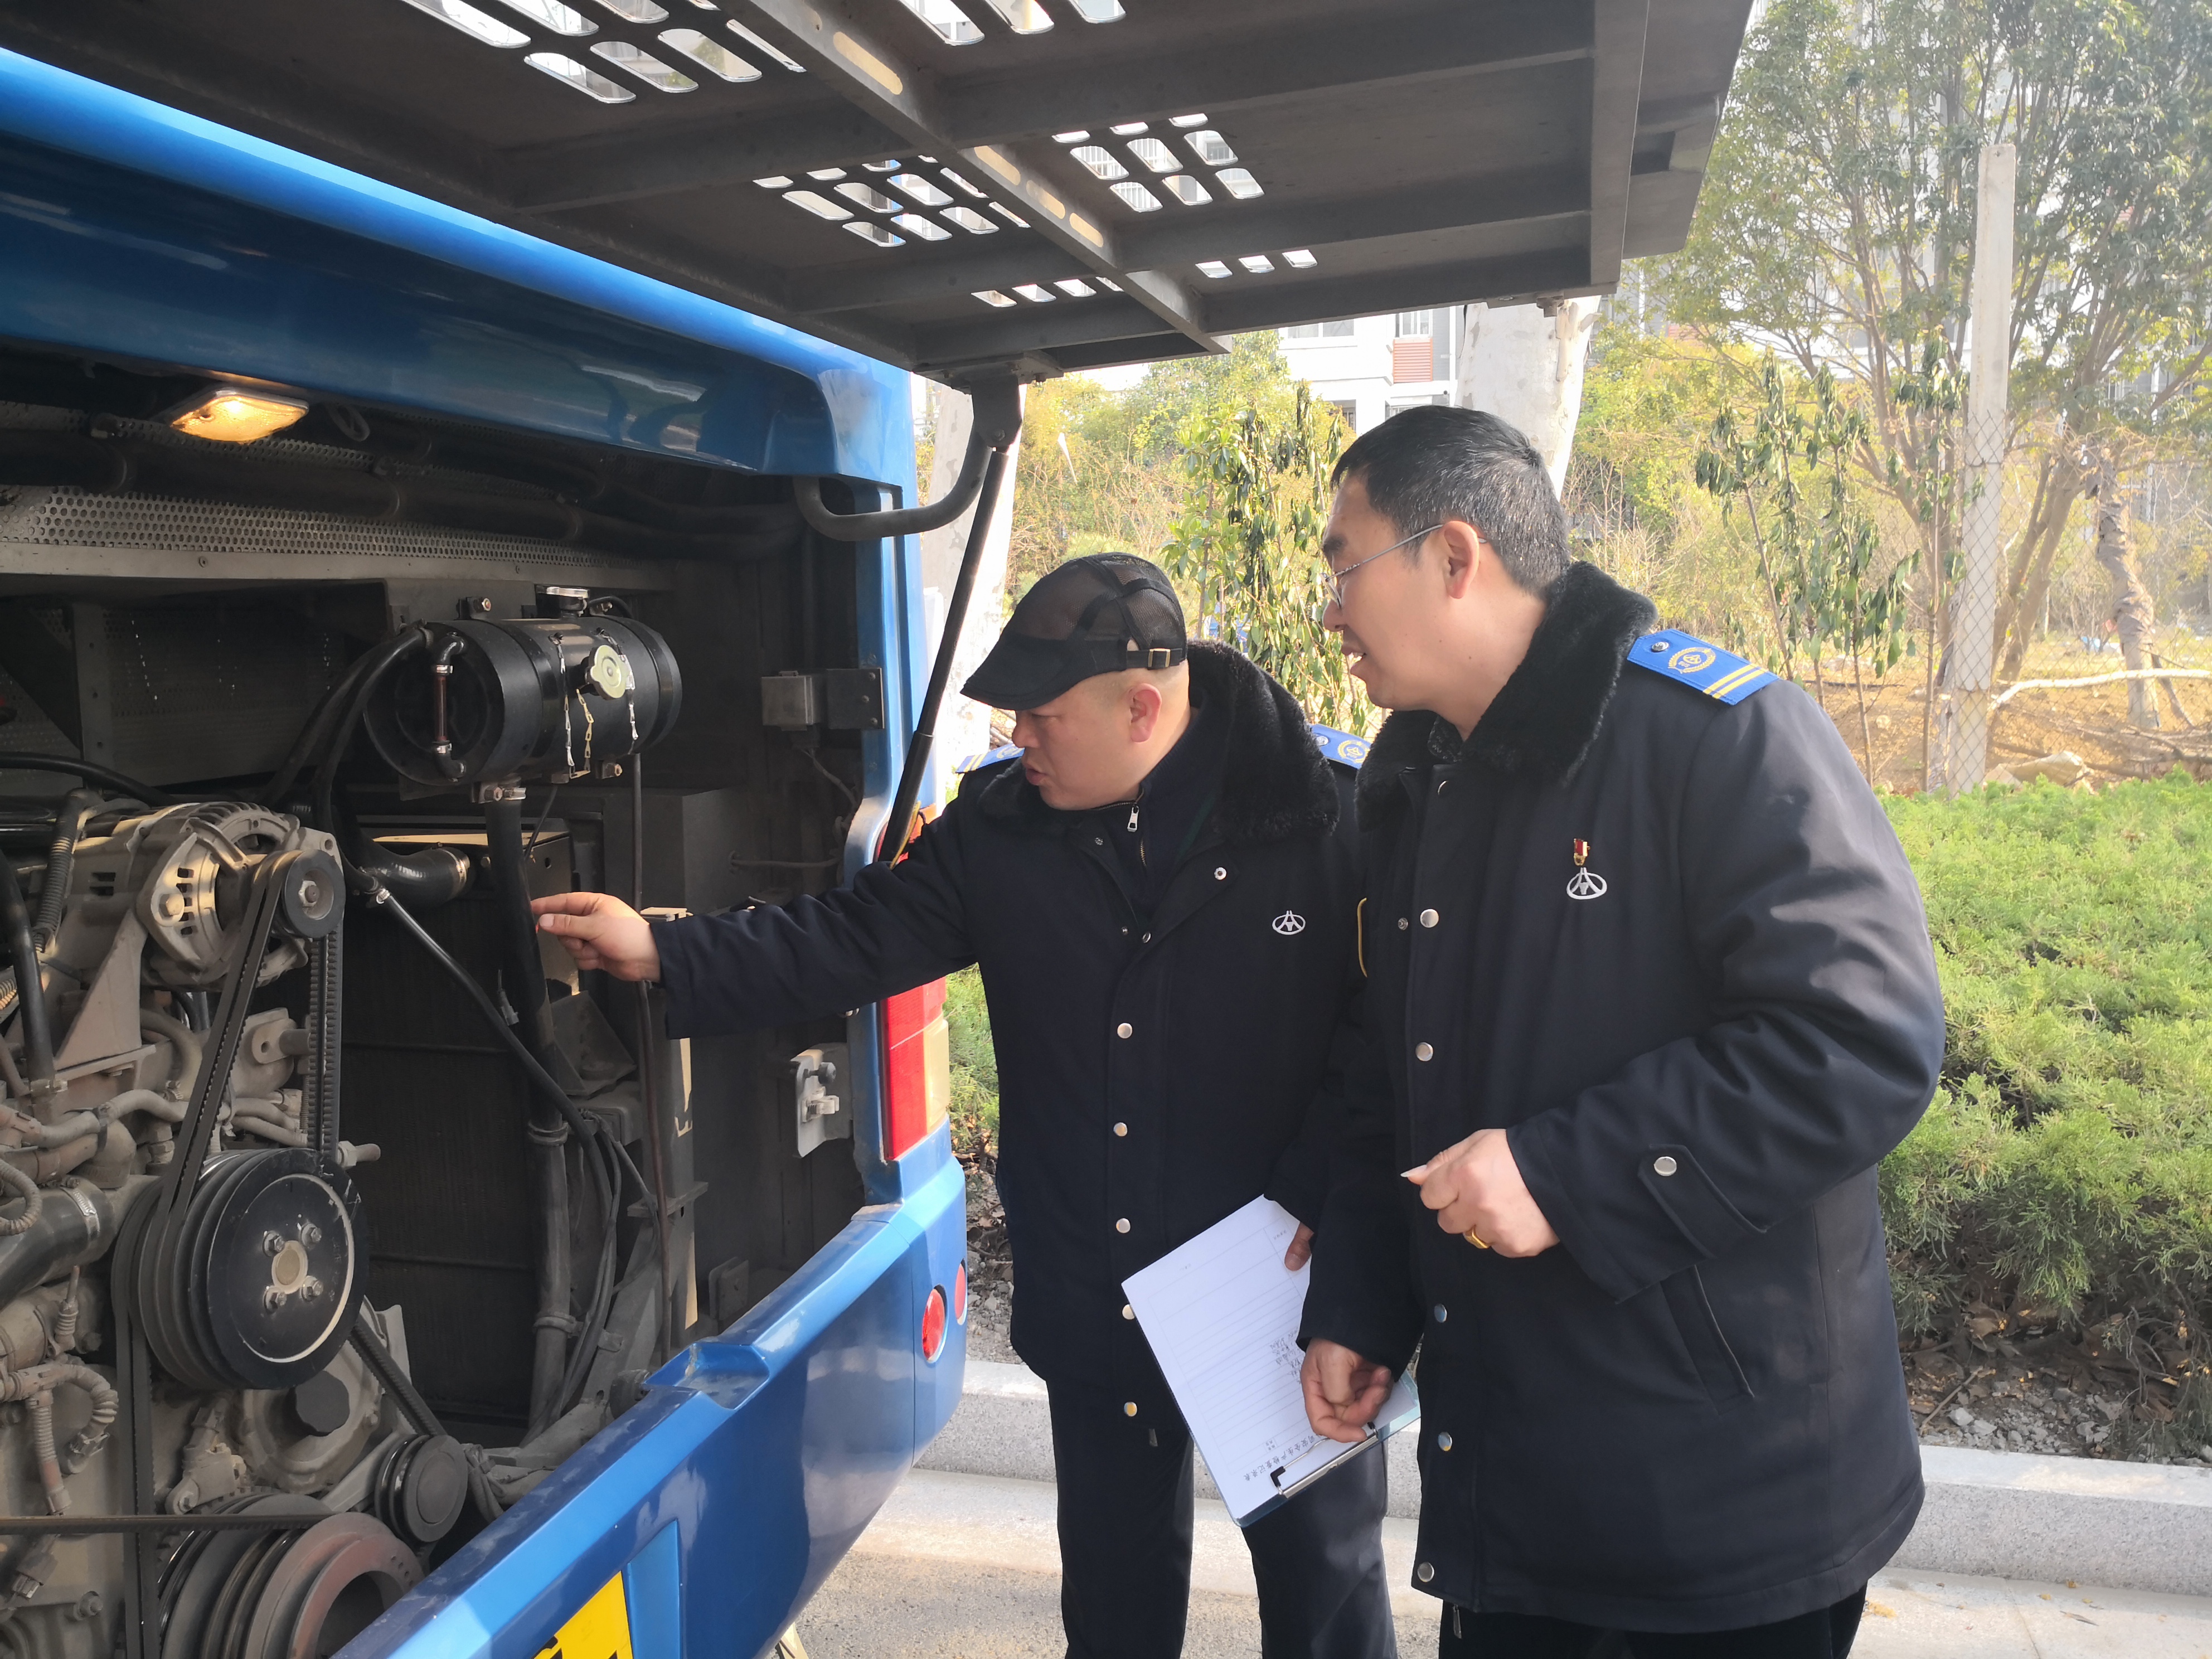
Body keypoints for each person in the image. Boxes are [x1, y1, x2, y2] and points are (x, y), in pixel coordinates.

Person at [534, 554, 1398, 1659]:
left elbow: (1387, 1048)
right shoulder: (1004, 828)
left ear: (1141, 709)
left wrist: (1319, 1193)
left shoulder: (1328, 822)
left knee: (1326, 1595)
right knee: (1116, 1608)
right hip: (1100, 1291)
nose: (1016, 736)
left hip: (1276, 1288)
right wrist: (666, 951)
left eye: (1041, 716)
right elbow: (855, 937)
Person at [1294, 408, 1946, 1658]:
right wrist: (1362, 1304)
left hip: (1726, 1503)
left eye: (1344, 564)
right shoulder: (1414, 778)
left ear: (1453, 556)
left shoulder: (1716, 739)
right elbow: (1394, 1073)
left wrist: (1563, 1171)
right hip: (1513, 1492)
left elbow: (1860, 1038)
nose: (1330, 611)